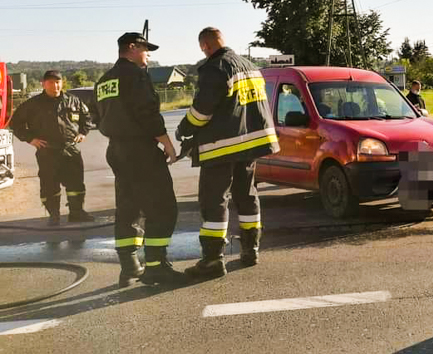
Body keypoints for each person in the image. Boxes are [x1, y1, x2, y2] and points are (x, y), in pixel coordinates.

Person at [177, 27, 279, 280]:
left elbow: (202, 111)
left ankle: (212, 260)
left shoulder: (215, 67)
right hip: (251, 144)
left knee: (214, 200)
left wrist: (184, 128)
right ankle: (251, 249)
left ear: (205, 46)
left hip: (222, 146)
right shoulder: (249, 66)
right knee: (247, 195)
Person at [95, 32, 184, 287]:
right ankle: (156, 268)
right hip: (140, 150)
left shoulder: (104, 80)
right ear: (131, 48)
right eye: (146, 49)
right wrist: (167, 144)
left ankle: (130, 267)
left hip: (117, 151)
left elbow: (97, 115)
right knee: (162, 207)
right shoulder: (135, 75)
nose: (148, 55)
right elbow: (147, 112)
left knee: (128, 207)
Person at [9, 70, 94, 225]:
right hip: (47, 151)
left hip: (70, 149)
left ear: (62, 83)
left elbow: (86, 118)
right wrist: (30, 139)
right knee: (49, 185)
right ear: (44, 83)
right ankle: (53, 215)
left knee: (75, 184)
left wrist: (83, 132)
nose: (55, 85)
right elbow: (15, 124)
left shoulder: (73, 100)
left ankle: (77, 213)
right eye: (51, 82)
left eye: (58, 82)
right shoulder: (33, 104)